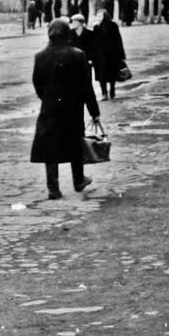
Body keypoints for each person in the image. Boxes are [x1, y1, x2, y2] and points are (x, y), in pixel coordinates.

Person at [31, 18, 100, 200]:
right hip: (72, 108)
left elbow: (37, 84)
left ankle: (53, 189)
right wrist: (94, 112)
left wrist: (48, 99)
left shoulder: (40, 56)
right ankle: (79, 180)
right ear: (67, 33)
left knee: (49, 147)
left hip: (50, 108)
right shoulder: (77, 55)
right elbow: (87, 87)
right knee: (75, 143)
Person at [91, 10, 126, 100]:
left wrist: (121, 55)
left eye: (100, 16)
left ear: (105, 16)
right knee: (101, 75)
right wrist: (92, 55)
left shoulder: (113, 25)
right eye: (97, 16)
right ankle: (104, 93)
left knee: (112, 74)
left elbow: (118, 40)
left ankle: (112, 90)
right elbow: (94, 42)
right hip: (100, 55)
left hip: (111, 54)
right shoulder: (96, 27)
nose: (98, 18)